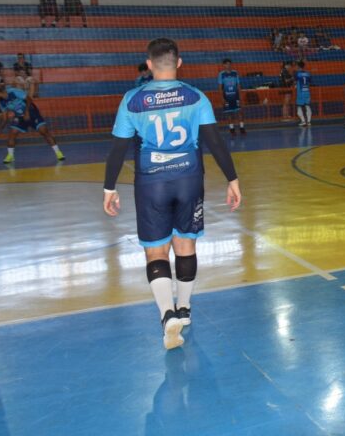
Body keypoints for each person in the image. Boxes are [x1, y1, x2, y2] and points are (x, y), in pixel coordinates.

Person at [102, 38, 241, 350]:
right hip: (189, 179)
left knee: (156, 251)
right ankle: (185, 309)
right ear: (179, 63)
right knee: (185, 245)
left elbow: (117, 150)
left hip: (152, 182)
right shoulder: (196, 97)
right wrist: (232, 179)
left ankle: (167, 315)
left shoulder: (132, 100)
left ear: (149, 65)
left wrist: (109, 187)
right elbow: (215, 142)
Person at [0, 84, 64, 164]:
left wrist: (26, 112)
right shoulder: (1, 103)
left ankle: (58, 153)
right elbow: (4, 119)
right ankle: (10, 156)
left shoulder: (13, 91)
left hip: (31, 112)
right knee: (12, 133)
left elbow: (29, 99)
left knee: (44, 131)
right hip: (19, 117)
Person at [218, 58, 245, 136]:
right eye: (226, 64)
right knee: (229, 114)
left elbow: (238, 85)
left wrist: (240, 96)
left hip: (236, 96)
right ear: (223, 65)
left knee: (240, 112)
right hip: (227, 97)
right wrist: (222, 98)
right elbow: (220, 87)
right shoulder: (221, 74)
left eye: (229, 64)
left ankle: (242, 128)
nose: (228, 65)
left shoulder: (235, 73)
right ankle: (232, 129)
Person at [294, 60, 312, 127]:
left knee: (299, 107)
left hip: (300, 92)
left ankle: (303, 121)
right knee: (307, 106)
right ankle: (309, 122)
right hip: (307, 91)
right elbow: (309, 82)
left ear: (298, 66)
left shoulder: (297, 73)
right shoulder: (308, 73)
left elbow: (295, 82)